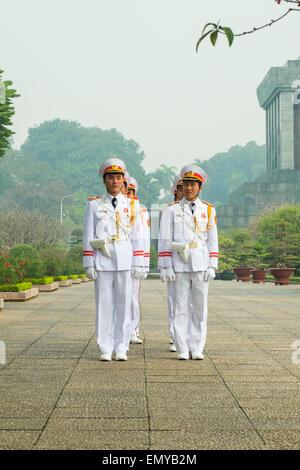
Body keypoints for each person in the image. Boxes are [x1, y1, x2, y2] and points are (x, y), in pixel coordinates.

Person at [83, 158, 145, 362]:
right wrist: (89, 262)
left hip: (125, 258)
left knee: (124, 304)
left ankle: (121, 346)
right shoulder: (94, 205)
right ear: (104, 180)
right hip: (103, 258)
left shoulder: (133, 205)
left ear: (124, 180)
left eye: (119, 177)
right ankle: (105, 346)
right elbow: (87, 234)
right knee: (104, 305)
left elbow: (138, 236)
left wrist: (139, 262)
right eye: (111, 177)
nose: (115, 181)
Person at [158, 164, 218, 360]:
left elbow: (211, 240)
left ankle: (197, 346)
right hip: (179, 264)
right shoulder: (171, 211)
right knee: (180, 307)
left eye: (193, 184)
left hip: (200, 263)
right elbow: (165, 240)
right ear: (180, 188)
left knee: (200, 308)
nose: (189, 188)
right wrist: (166, 266)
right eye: (186, 185)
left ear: (200, 187)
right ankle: (182, 347)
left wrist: (212, 264)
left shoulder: (208, 210)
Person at [127, 176, 150, 344]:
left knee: (133, 297)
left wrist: (144, 263)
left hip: (135, 258)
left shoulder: (141, 210)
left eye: (130, 191)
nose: (127, 194)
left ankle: (133, 330)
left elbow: (144, 238)